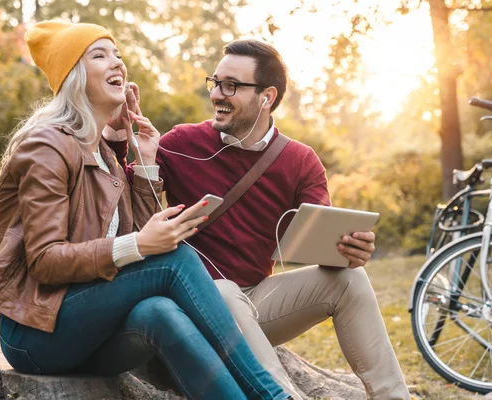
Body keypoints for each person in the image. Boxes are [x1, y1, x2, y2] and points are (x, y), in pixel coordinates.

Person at [0, 21, 291, 400]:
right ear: (74, 77)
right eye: (99, 55)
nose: (117, 64)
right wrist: (140, 246)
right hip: (37, 332)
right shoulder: (47, 147)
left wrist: (145, 164)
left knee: (158, 311)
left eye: (117, 55)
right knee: (174, 259)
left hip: (91, 326)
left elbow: (137, 241)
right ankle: (272, 396)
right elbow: (46, 261)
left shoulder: (106, 157)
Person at [108, 40, 411, 400]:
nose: (218, 94)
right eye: (215, 82)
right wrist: (117, 138)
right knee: (223, 291)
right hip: (188, 306)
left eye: (231, 86)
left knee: (350, 280)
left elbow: (325, 244)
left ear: (266, 97)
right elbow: (119, 199)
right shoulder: (181, 142)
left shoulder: (300, 161)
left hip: (254, 302)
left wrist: (350, 250)